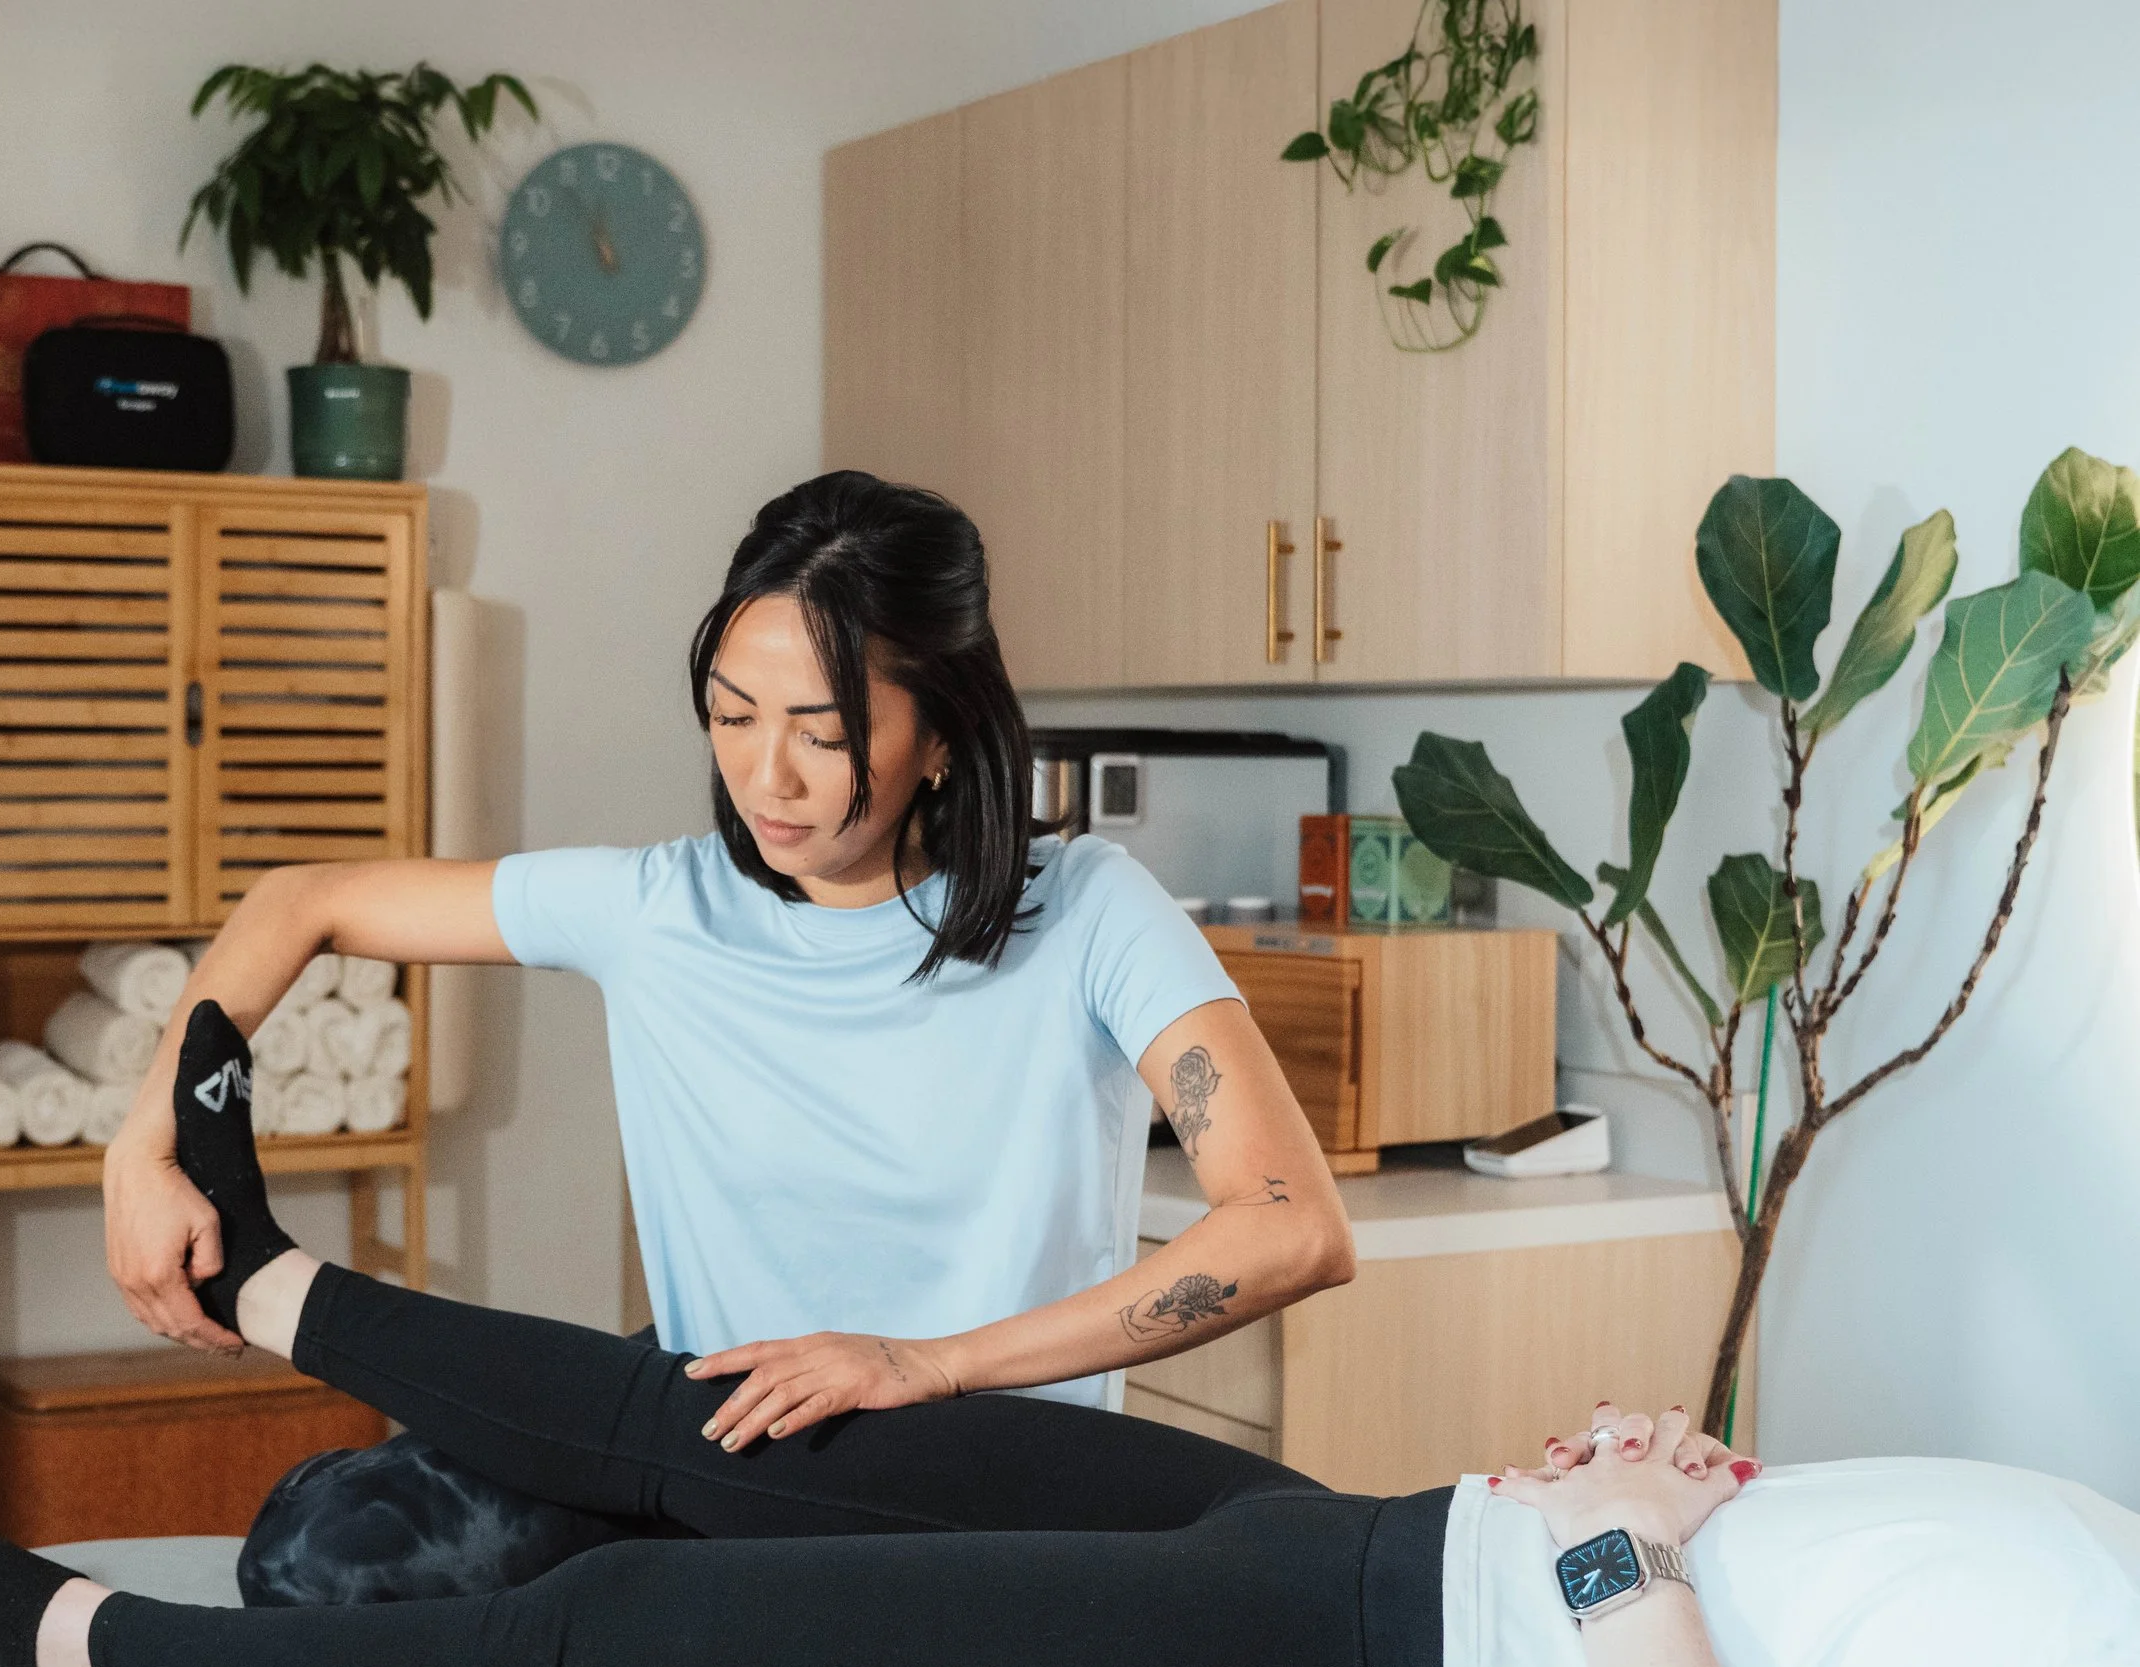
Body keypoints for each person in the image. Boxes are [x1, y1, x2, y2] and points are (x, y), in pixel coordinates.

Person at [0, 1006, 2140, 1667]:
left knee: (631, 1652)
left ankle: (43, 1626)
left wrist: (1627, 1542)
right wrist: (1654, 1497)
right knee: (737, 1406)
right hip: (1373, 1536)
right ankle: (276, 1272)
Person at [98, 471, 1356, 1601]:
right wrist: (142, 1149)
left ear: (942, 736)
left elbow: (1290, 1224)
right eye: (733, 715)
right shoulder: (661, 908)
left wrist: (924, 1365)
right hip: (709, 1443)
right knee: (314, 1558)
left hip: (980, 1479)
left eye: (822, 733)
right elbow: (298, 901)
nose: (769, 778)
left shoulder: (1084, 911)